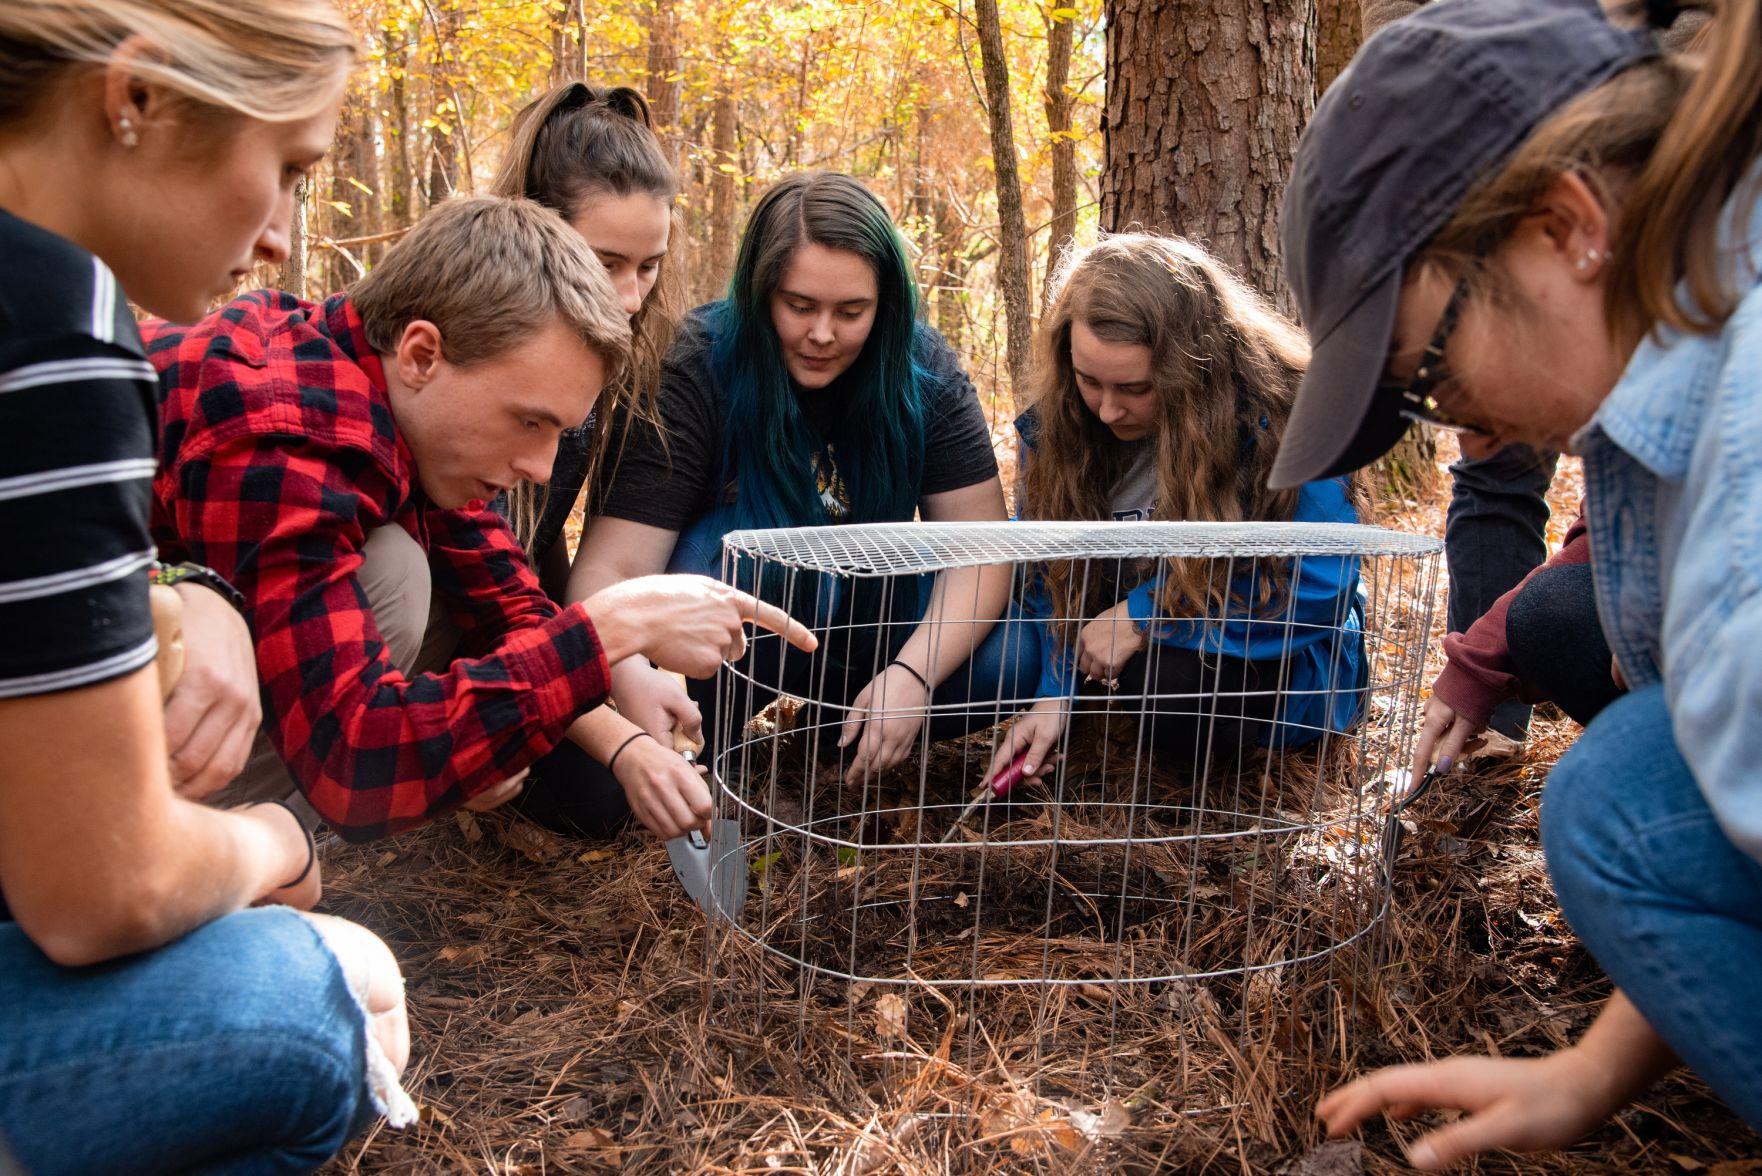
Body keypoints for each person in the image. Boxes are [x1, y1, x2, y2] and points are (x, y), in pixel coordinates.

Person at [1264, 0, 1762, 1161]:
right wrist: (1589, 1074)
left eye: (1426, 373)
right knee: (1624, 791)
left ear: (1567, 224)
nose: (1457, 434)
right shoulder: (1657, 395)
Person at [0, 2, 415, 1170]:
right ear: (137, 101)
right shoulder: (55, 332)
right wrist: (273, 838)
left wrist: (189, 591)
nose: (285, 233)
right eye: (284, 169)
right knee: (332, 1004)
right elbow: (99, 892)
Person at [145, 194, 817, 843]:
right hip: (71, 699)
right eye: (528, 421)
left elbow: (510, 606)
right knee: (397, 577)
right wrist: (620, 624)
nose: (543, 467)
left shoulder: (387, 397)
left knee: (416, 576)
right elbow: (354, 767)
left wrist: (630, 748)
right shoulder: (284, 433)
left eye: (559, 432)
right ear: (420, 355)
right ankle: (195, 850)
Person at [571, 170, 1034, 820]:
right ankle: (711, 747)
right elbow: (610, 568)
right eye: (798, 306)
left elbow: (983, 550)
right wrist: (635, 679)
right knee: (722, 553)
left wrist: (914, 676)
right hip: (740, 633)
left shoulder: (923, 371)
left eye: (851, 312)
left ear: (887, 304)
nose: (822, 334)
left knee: (1015, 657)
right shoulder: (695, 366)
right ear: (761, 292)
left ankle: (853, 720)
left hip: (876, 622)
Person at [985, 234, 1367, 786]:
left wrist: (1148, 615)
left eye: (1136, 388)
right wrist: (1055, 692)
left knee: (1173, 686)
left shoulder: (1285, 417)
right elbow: (1053, 575)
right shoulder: (1055, 430)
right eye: (1088, 380)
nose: (1108, 410)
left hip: (1270, 664)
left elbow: (1319, 584)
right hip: (1122, 649)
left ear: (1193, 367)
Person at [479, 81, 712, 842]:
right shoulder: (479, 354)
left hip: (518, 596)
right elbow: (475, 577)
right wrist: (616, 732)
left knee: (599, 804)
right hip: (449, 610)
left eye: (649, 267)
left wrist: (632, 675)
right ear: (536, 233)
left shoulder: (634, 360)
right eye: (605, 261)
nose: (629, 294)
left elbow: (562, 551)